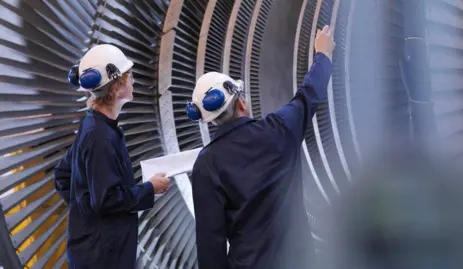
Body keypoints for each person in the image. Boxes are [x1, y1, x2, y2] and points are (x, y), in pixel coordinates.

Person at [186, 25, 335, 269]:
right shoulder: (278, 130)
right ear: (241, 103)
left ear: (209, 120)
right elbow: (309, 94)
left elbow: (210, 244)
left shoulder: (207, 164)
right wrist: (323, 55)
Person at [53, 44, 170, 269]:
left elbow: (62, 175)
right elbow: (106, 199)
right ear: (116, 87)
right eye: (129, 76)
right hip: (103, 257)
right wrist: (150, 189)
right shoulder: (101, 137)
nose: (133, 81)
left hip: (95, 250)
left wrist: (86, 214)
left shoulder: (95, 126)